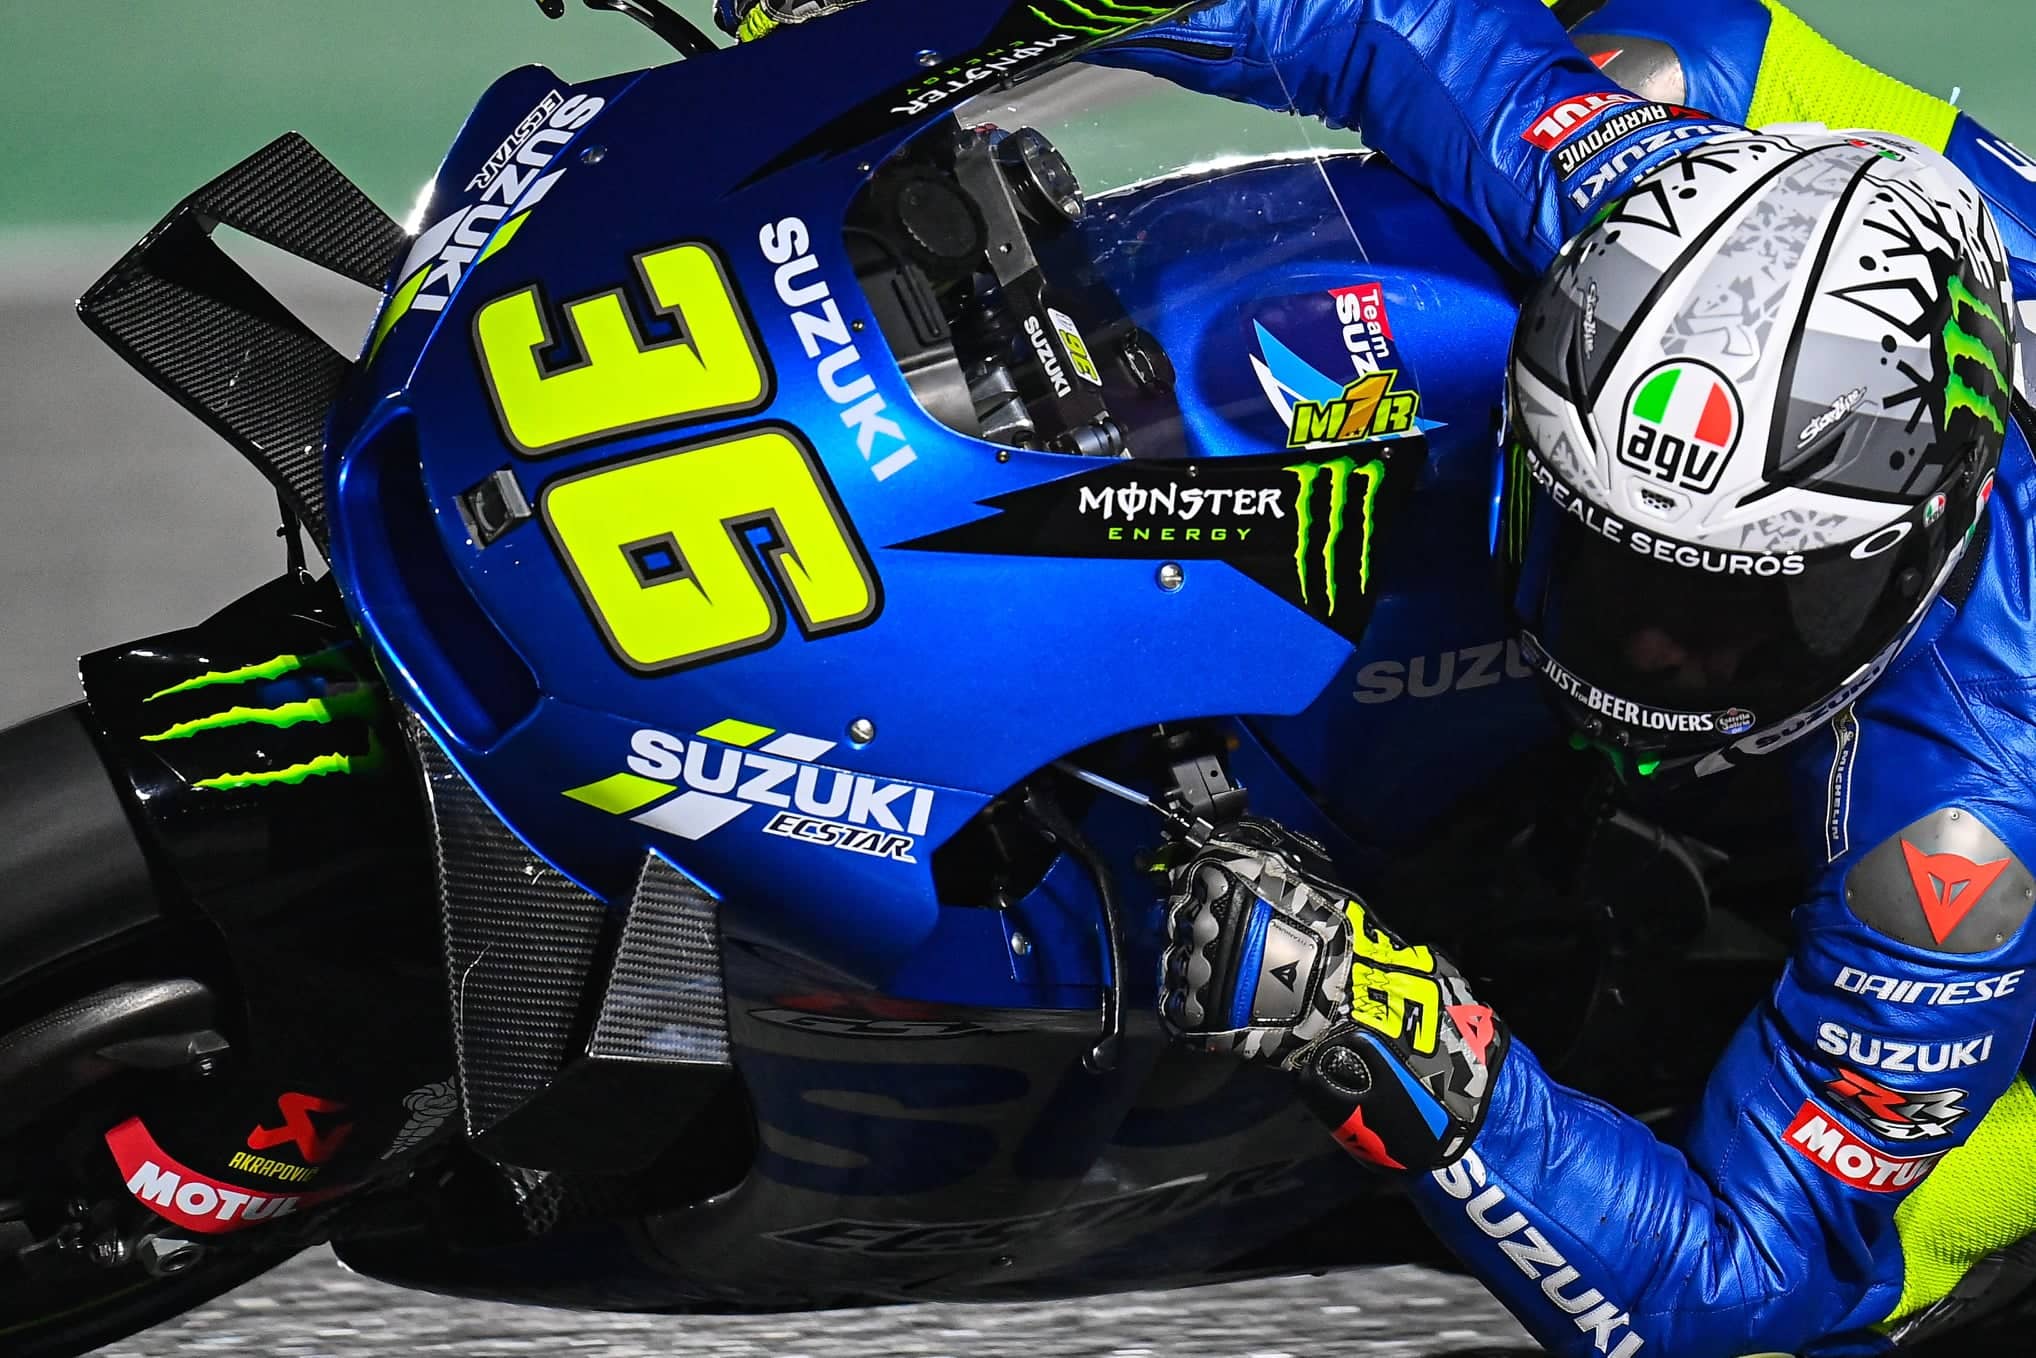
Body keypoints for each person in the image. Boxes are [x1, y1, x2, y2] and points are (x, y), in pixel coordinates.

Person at [723, 0, 2036, 1349]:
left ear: (1917, 549)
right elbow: (1372, 15)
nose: (1643, 650)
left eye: (1731, 607)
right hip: (1833, 185)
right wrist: (925, 22)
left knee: (1830, 1310)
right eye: (1612, 568)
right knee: (1649, 45)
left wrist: (1389, 1037)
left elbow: (1747, 1273)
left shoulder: (1970, 818)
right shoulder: (1648, 192)